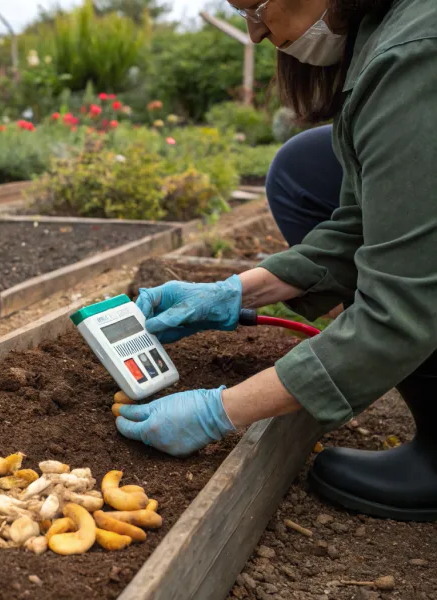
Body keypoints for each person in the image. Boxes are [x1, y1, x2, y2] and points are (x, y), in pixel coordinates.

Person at [118, 0, 437, 522]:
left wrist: (219, 410)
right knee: (306, 169)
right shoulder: (386, 27)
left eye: (255, 7)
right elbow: (364, 225)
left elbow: (403, 303)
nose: (255, 34)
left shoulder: (417, 55)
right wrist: (235, 292)